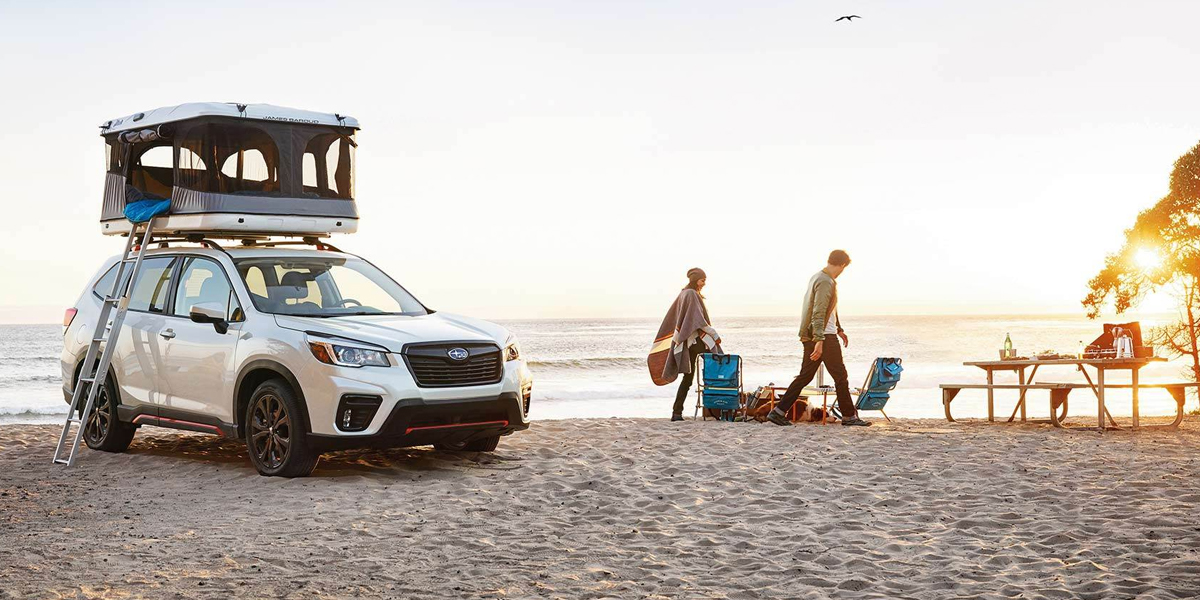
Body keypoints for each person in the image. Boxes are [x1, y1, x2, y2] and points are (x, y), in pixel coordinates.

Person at [767, 250, 870, 427]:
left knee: (805, 377)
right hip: (824, 337)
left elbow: (830, 310)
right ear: (842, 265)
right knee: (840, 376)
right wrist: (820, 341)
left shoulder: (818, 278)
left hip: (817, 335)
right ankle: (849, 417)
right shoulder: (825, 281)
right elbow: (818, 313)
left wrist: (839, 329)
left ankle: (778, 412)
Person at [647, 268, 722, 421]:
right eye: (702, 280)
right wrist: (715, 335)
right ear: (696, 279)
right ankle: (717, 407)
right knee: (718, 363)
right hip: (694, 341)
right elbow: (698, 321)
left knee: (688, 379)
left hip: (689, 342)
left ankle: (677, 413)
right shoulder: (691, 294)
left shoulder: (683, 293)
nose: (704, 283)